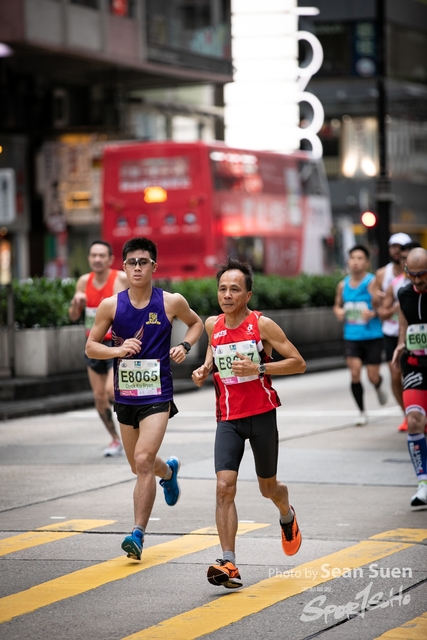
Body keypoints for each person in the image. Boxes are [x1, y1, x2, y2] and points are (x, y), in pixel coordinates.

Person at [86, 237, 204, 560]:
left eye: (144, 262)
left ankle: (137, 534)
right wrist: (117, 350)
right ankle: (168, 473)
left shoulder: (170, 302)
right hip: (125, 396)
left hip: (158, 394)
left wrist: (186, 347)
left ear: (154, 266)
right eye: (132, 263)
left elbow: (196, 324)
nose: (137, 268)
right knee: (140, 465)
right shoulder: (111, 305)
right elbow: (90, 347)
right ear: (123, 267)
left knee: (142, 460)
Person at [191, 258, 306, 590]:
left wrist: (260, 370)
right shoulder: (213, 325)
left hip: (261, 415)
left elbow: (298, 363)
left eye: (234, 289)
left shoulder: (263, 325)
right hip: (228, 418)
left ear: (248, 295)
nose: (227, 295)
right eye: (222, 288)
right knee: (224, 486)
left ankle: (286, 514)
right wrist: (203, 370)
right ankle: (229, 562)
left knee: (268, 488)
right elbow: (213, 356)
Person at [69, 240, 129, 457]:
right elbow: (74, 316)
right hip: (93, 345)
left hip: (116, 344)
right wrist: (77, 303)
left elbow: (135, 307)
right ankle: (115, 439)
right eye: (93, 255)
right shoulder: (84, 281)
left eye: (102, 255)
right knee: (99, 396)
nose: (97, 259)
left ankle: (132, 428)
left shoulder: (120, 279)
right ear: (89, 258)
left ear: (111, 259)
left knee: (111, 391)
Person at [333, 245, 387, 426]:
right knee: (355, 373)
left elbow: (384, 304)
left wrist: (373, 313)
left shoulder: (372, 282)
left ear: (367, 262)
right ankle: (362, 411)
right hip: (352, 336)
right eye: (352, 258)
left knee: (372, 376)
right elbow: (337, 305)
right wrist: (339, 312)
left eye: (360, 258)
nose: (355, 262)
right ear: (348, 261)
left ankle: (378, 385)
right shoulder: (343, 284)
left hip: (372, 335)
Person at [392, 247, 427, 507]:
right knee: (414, 419)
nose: (417, 280)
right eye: (412, 275)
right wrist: (400, 344)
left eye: (422, 275)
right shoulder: (404, 293)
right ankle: (423, 483)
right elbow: (404, 325)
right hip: (414, 364)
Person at [377, 241, 420, 431]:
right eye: (403, 259)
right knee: (396, 376)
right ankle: (407, 414)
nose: (417, 279)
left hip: (419, 342)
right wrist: (395, 308)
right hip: (395, 337)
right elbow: (385, 313)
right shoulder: (397, 287)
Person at [372, 232, 412, 430]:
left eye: (403, 249)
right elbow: (378, 305)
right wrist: (387, 304)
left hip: (415, 334)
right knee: (396, 376)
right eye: (394, 247)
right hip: (392, 333)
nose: (398, 252)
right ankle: (408, 415)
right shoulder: (386, 277)